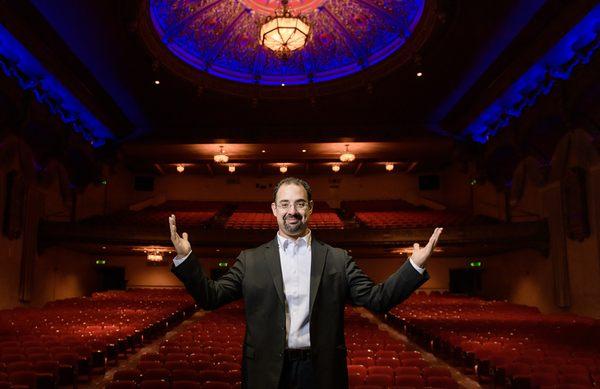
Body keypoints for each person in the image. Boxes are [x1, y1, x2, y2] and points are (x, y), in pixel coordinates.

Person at [169, 177, 443, 389]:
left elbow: (378, 299)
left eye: (300, 203)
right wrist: (186, 258)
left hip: (321, 372)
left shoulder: (337, 259)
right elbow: (210, 296)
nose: (293, 211)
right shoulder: (250, 260)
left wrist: (414, 266)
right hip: (266, 372)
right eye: (285, 204)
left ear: (310, 208)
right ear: (274, 209)